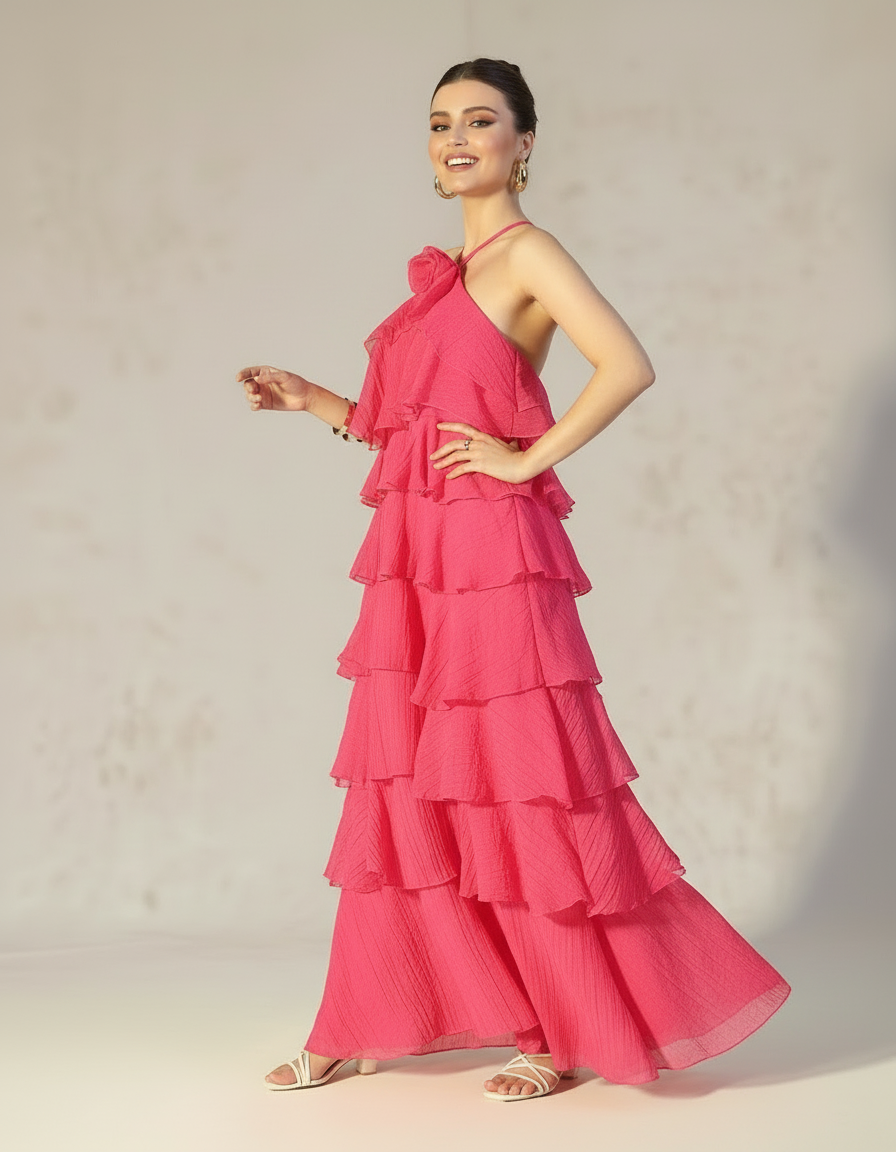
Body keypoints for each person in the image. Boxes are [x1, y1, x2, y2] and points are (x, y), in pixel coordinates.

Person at [236, 57, 791, 1102]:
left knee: (517, 781)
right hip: (416, 562)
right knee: (406, 782)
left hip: (493, 556)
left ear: (523, 141)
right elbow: (405, 436)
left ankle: (558, 1027)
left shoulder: (528, 252)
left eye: (480, 120)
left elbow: (625, 365)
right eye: (440, 122)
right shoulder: (444, 274)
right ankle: (363, 1015)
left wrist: (526, 459)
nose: (456, 138)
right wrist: (313, 400)